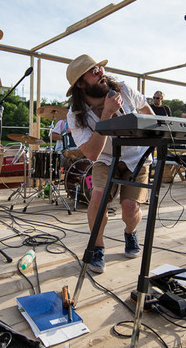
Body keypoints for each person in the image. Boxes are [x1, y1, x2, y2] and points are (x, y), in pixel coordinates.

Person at [65, 54, 154, 273]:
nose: (100, 72)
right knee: (97, 197)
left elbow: (147, 111)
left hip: (137, 156)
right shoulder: (75, 115)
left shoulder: (124, 89)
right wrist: (107, 113)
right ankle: (97, 247)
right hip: (105, 158)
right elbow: (93, 154)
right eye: (92, 71)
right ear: (80, 83)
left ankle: (130, 233)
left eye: (99, 68)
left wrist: (155, 137)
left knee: (130, 208)